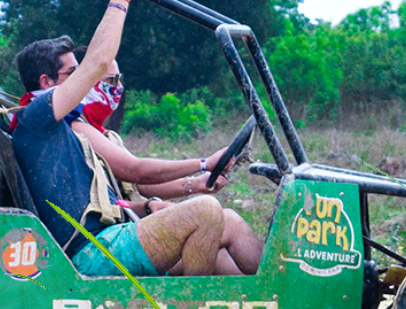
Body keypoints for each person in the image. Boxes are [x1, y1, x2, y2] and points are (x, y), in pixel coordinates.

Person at [10, 0, 242, 277]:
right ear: (47, 83)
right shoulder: (35, 118)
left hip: (108, 238)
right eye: (72, 73)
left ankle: (280, 308)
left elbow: (103, 203)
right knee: (206, 211)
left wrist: (146, 208)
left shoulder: (61, 129)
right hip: (93, 252)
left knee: (227, 232)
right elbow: (99, 63)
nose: (82, 79)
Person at [63, 45, 262, 275]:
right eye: (112, 80)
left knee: (223, 239)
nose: (119, 87)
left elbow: (143, 186)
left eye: (120, 79)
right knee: (224, 222)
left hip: (125, 230)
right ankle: (281, 291)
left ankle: (268, 303)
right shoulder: (78, 130)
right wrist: (203, 163)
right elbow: (137, 171)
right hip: (112, 242)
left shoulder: (106, 135)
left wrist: (197, 184)